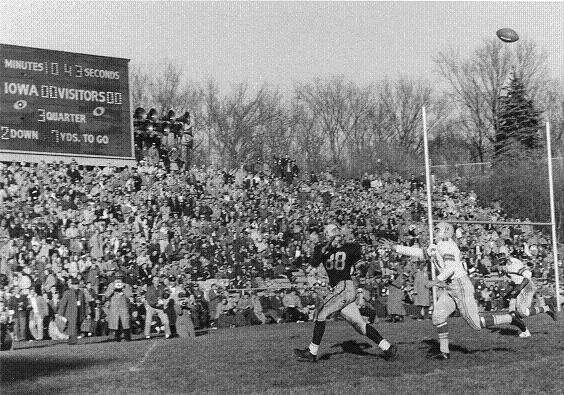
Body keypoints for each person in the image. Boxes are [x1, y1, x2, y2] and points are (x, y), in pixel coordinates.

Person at [294, 224, 397, 362]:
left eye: (337, 230)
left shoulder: (350, 247)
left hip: (345, 287)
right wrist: (326, 248)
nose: (337, 233)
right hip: (338, 289)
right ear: (326, 235)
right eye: (333, 231)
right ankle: (387, 348)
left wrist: (362, 269)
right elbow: (313, 264)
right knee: (359, 324)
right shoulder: (321, 248)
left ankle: (312, 352)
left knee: (321, 313)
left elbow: (360, 266)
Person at [380, 222, 481, 360]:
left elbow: (450, 268)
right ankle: (444, 352)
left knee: (476, 324)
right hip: (451, 287)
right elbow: (419, 253)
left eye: (437, 229)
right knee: (438, 316)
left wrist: (435, 281)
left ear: (445, 231)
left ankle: (510, 318)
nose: (434, 232)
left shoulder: (446, 245)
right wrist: (395, 247)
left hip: (460, 285)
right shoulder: (438, 246)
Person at [480, 252, 557, 337]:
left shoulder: (513, 264)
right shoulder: (505, 266)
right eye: (499, 260)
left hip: (526, 286)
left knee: (522, 313)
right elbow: (514, 281)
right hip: (518, 287)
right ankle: (525, 332)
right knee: (512, 314)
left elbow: (527, 276)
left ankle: (547, 308)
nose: (500, 262)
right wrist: (506, 292)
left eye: (501, 259)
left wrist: (517, 290)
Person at [103, 271, 133, 342]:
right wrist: (113, 289)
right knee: (115, 323)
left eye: (120, 278)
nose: (119, 280)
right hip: (114, 307)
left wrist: (123, 289)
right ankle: (117, 339)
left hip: (123, 306)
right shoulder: (111, 285)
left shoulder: (126, 285)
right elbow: (106, 295)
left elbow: (129, 295)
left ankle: (127, 338)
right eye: (117, 278)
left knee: (125, 322)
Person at [57, 278, 87, 345]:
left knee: (76, 326)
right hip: (70, 312)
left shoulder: (81, 293)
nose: (76, 285)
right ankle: (72, 341)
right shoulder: (67, 293)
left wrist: (85, 313)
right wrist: (60, 313)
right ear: (72, 285)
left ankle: (72, 340)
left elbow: (84, 304)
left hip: (79, 312)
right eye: (74, 284)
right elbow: (63, 304)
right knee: (72, 327)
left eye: (77, 284)